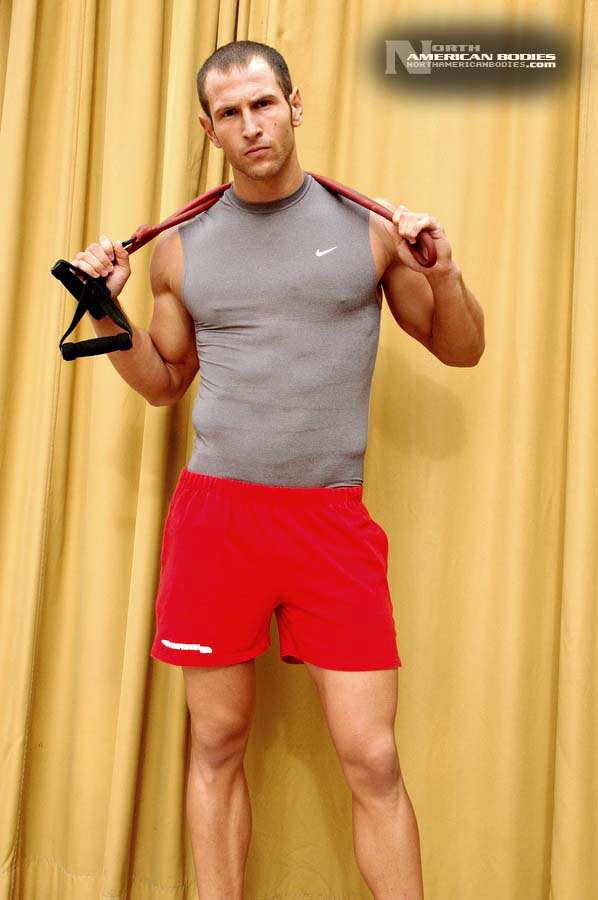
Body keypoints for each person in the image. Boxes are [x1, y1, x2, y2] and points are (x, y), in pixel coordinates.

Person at [71, 39, 484, 900]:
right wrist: (104, 309)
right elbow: (164, 383)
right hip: (218, 519)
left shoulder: (370, 230)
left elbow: (460, 349)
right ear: (209, 130)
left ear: (295, 105)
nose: (251, 124)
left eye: (264, 103)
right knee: (216, 743)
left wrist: (444, 274)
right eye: (230, 113)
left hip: (329, 520)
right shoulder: (180, 249)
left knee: (373, 758)